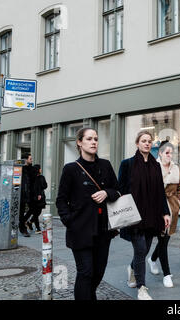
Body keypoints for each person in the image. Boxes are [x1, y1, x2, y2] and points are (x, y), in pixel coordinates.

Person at [56, 128, 121, 300]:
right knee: (85, 272)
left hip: (102, 230)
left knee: (98, 272)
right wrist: (69, 221)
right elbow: (61, 200)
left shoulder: (105, 165)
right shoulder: (71, 169)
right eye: (89, 139)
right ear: (79, 142)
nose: (94, 142)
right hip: (80, 230)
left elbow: (117, 190)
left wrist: (107, 193)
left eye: (96, 139)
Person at [118, 130, 171, 300]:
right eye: (143, 141)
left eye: (149, 141)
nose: (147, 144)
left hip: (153, 213)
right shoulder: (127, 164)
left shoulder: (156, 165)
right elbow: (121, 189)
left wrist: (165, 213)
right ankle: (142, 287)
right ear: (137, 143)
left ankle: (132, 268)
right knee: (140, 249)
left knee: (145, 249)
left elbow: (160, 192)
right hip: (134, 214)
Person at [147, 141, 180, 288]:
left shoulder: (176, 168)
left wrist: (179, 204)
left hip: (172, 208)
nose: (169, 155)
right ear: (160, 153)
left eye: (171, 152)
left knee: (165, 240)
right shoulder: (152, 167)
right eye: (166, 152)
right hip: (155, 208)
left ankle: (152, 259)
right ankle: (167, 274)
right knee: (154, 242)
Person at [24, 164, 47, 234]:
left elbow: (45, 186)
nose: (41, 169)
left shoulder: (41, 177)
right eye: (40, 168)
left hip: (40, 198)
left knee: (37, 212)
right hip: (34, 198)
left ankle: (29, 222)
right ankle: (37, 228)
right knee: (34, 212)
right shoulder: (33, 178)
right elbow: (33, 188)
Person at [19, 153, 34, 237]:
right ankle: (23, 228)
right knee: (21, 212)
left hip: (29, 194)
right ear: (25, 160)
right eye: (30, 159)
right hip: (21, 194)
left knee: (33, 208)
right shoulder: (20, 168)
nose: (31, 160)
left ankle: (22, 222)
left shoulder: (30, 169)